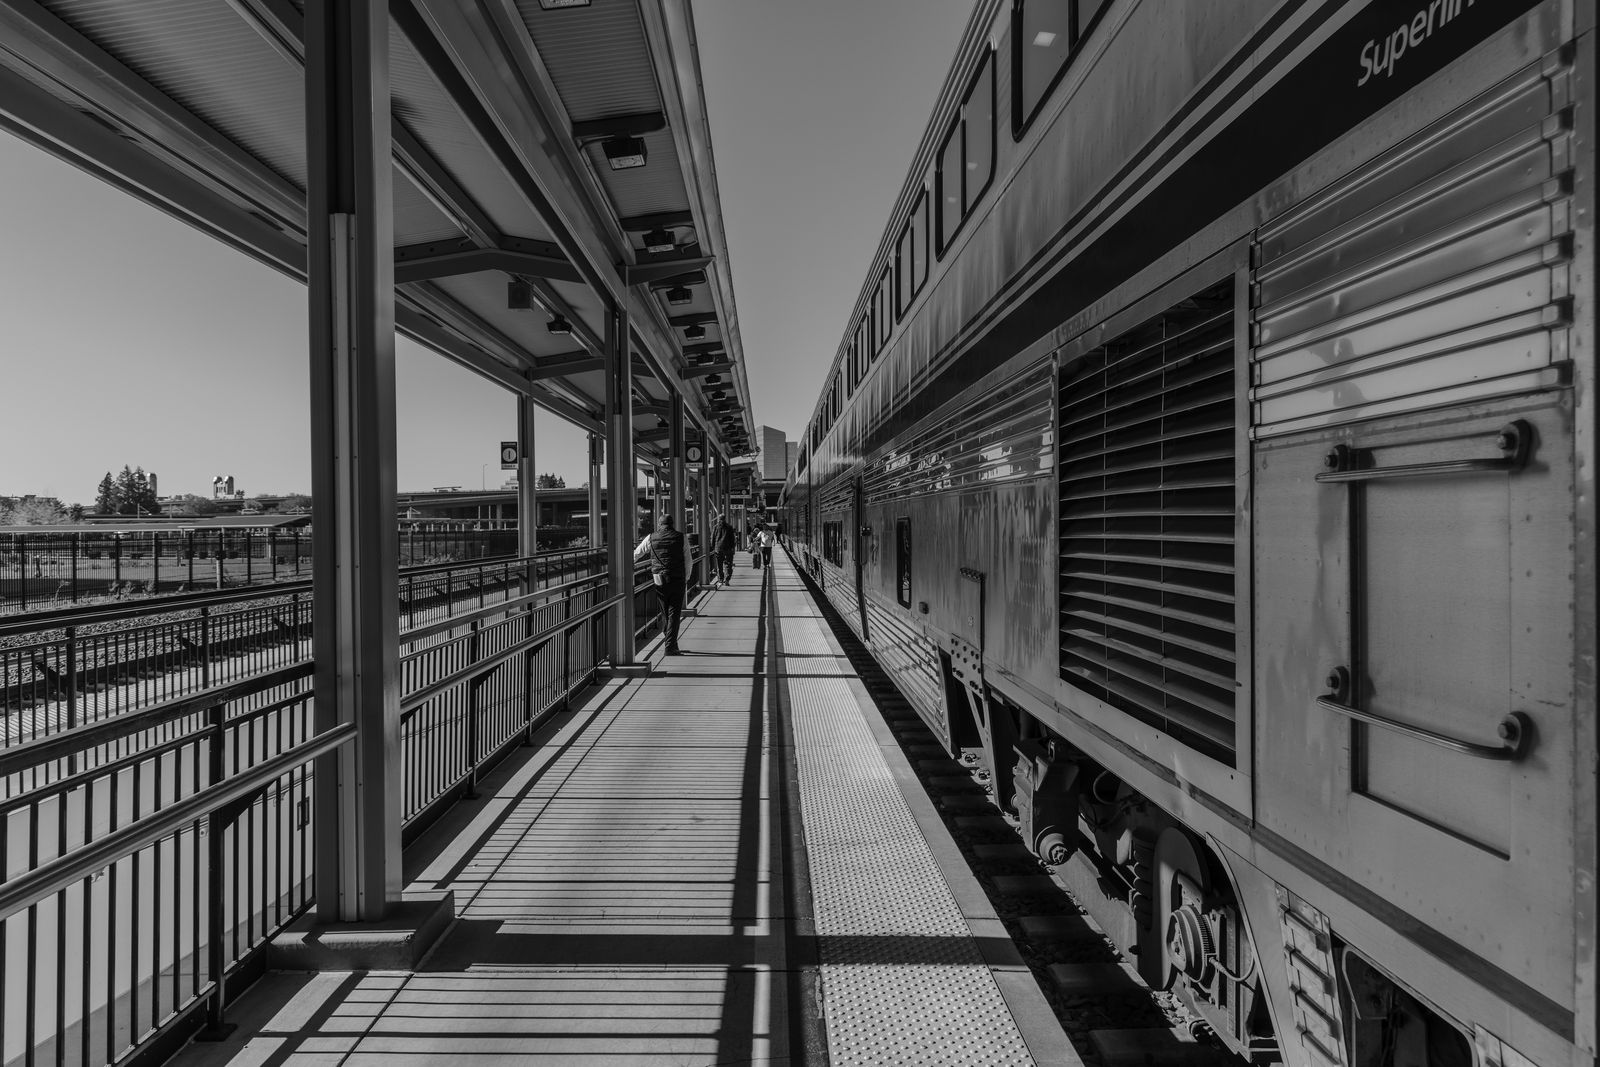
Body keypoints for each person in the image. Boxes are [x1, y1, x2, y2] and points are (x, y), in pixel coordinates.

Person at [632, 514, 694, 655]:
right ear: (672, 524)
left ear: (659, 524)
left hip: (658, 577)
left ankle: (669, 638)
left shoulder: (651, 537)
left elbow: (637, 553)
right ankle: (670, 646)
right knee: (674, 612)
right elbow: (688, 560)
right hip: (677, 578)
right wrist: (687, 577)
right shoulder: (681, 537)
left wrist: (627, 565)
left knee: (665, 610)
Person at [711, 514, 736, 586]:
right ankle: (727, 579)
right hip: (728, 548)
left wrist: (713, 547)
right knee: (728, 564)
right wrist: (732, 548)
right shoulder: (729, 527)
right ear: (725, 519)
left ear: (718, 519)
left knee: (719, 565)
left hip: (718, 548)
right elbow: (732, 539)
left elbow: (713, 538)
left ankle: (720, 580)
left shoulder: (715, 527)